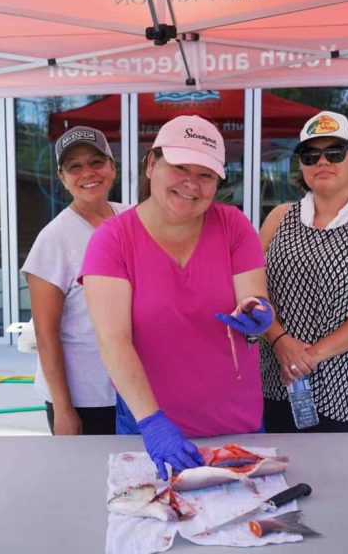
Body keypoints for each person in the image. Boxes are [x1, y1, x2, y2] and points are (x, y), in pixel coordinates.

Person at [81, 115, 273, 479]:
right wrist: (152, 422)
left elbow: (253, 296)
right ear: (151, 164)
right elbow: (113, 340)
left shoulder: (234, 225)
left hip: (236, 423)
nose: (191, 184)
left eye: (206, 175)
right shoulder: (112, 239)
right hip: (150, 426)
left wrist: (258, 312)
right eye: (180, 166)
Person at [259, 111, 348, 432]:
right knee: (281, 475)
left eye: (335, 152)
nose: (322, 161)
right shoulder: (280, 217)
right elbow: (253, 292)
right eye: (310, 155)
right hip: (277, 377)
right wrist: (280, 341)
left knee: (343, 476)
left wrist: (308, 357)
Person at [21, 126, 129, 435]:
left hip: (134, 390)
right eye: (75, 166)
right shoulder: (54, 240)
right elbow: (45, 333)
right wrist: (64, 410)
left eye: (96, 162)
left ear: (112, 167)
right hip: (86, 398)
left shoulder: (133, 221)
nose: (88, 173)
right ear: (62, 178)